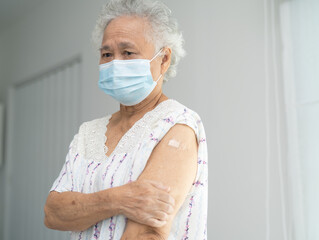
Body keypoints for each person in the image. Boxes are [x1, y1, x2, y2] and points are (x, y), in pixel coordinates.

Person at [43, 0, 208, 239]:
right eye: (106, 54)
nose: (115, 64)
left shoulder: (176, 126)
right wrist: (120, 199)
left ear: (163, 60)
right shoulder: (88, 133)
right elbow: (53, 213)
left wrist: (85, 206)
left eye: (128, 52)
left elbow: (144, 233)